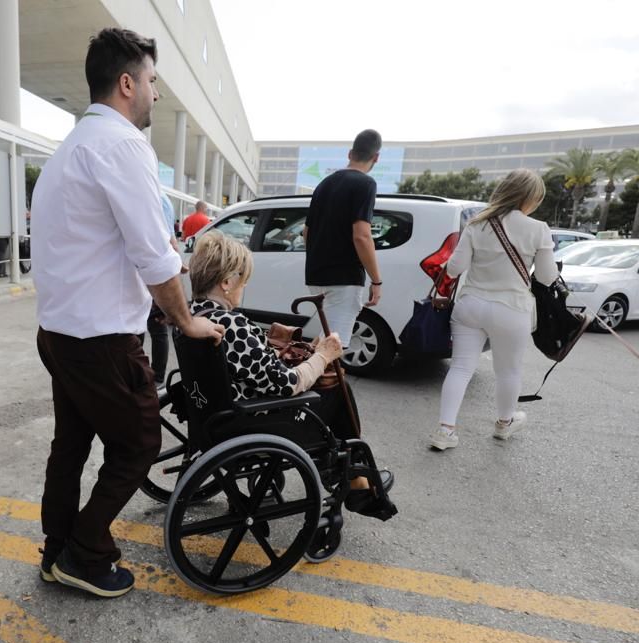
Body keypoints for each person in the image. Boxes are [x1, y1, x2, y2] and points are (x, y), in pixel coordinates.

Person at [33, 27, 224, 598]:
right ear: (126, 83)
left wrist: (163, 278)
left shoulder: (71, 149)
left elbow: (108, 245)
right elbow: (151, 254)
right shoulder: (122, 146)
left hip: (61, 332)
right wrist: (185, 319)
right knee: (140, 443)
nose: (156, 93)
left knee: (70, 447)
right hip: (101, 339)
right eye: (152, 81)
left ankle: (57, 549)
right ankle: (85, 553)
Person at [187, 230, 392, 515]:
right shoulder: (231, 325)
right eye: (243, 280)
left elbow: (253, 367)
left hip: (212, 416)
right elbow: (286, 384)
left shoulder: (193, 316)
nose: (244, 286)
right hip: (248, 420)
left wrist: (310, 352)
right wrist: (323, 356)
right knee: (336, 387)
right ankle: (354, 478)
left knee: (325, 384)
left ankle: (345, 472)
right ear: (226, 282)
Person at [430, 169, 559, 450]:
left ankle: (445, 431)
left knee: (460, 368)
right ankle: (504, 423)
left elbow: (455, 268)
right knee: (508, 371)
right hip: (512, 309)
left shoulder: (477, 224)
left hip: (471, 305)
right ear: (531, 198)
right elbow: (547, 277)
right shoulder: (538, 229)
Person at [302, 129, 384, 349]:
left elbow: (306, 232)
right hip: (344, 279)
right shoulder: (366, 184)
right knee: (332, 348)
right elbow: (362, 236)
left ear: (350, 153)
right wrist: (376, 281)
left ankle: (303, 368)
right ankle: (304, 371)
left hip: (316, 276)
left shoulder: (324, 184)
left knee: (325, 341)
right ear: (376, 157)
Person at [146, 193, 178, 385]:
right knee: (156, 327)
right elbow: (172, 242)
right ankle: (156, 377)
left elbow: (169, 243)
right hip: (152, 274)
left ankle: (156, 378)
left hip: (150, 274)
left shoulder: (156, 197)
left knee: (154, 326)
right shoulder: (162, 198)